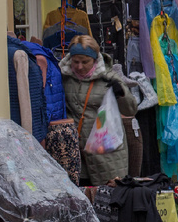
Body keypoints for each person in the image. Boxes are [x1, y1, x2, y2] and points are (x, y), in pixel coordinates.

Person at [59, 35, 138, 186]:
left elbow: (131, 110)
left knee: (109, 200)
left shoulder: (109, 77)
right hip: (77, 153)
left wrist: (121, 94)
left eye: (85, 62)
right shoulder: (64, 77)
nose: (79, 67)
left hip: (106, 152)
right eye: (75, 62)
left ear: (95, 59)